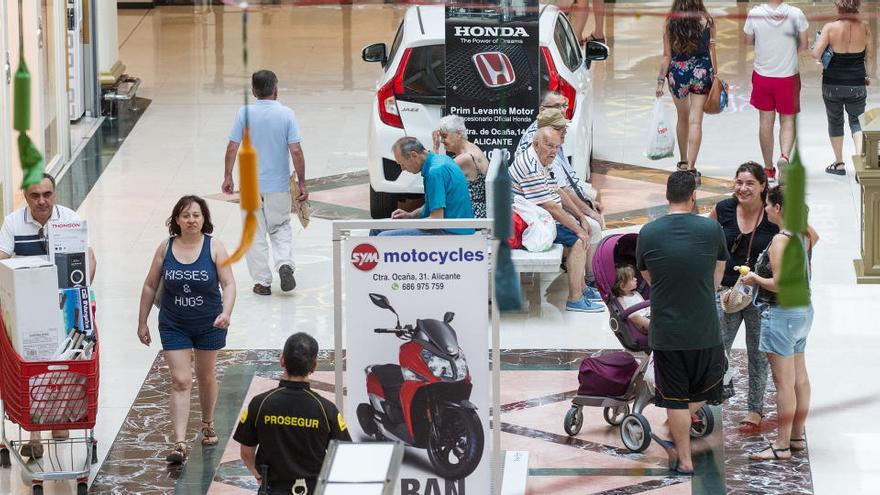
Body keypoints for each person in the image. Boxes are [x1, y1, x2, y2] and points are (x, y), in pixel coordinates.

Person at [635, 171, 728, 475]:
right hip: (704, 327)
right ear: (693, 197)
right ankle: (678, 422)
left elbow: (647, 276)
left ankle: (684, 459)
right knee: (710, 384)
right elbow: (717, 280)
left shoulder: (648, 232)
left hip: (667, 330)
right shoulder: (712, 230)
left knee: (674, 396)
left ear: (666, 196)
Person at [0, 173, 97, 459]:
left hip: (66, 304)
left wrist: (81, 289)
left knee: (65, 361)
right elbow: (2, 260)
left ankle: (59, 418)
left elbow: (88, 256)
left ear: (54, 194)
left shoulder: (68, 218)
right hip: (28, 307)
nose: (42, 201)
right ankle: (35, 434)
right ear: (26, 197)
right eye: (34, 195)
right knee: (31, 365)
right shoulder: (13, 223)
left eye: (47, 194)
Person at [136, 195, 236, 464]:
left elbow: (228, 284)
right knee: (180, 380)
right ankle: (179, 443)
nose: (191, 220)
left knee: (206, 376)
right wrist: (142, 321)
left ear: (204, 219)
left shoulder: (215, 247)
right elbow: (149, 285)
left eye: (196, 215)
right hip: (174, 323)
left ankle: (207, 423)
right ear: (176, 220)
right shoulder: (165, 248)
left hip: (209, 323)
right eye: (185, 215)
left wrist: (226, 312)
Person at [741, 186, 818, 460]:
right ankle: (797, 436)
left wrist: (754, 279)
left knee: (783, 383)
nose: (767, 208)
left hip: (781, 314)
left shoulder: (780, 241)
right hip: (803, 312)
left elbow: (778, 284)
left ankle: (782, 444)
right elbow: (815, 236)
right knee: (801, 379)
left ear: (779, 209)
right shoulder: (803, 235)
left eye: (770, 204)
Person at [223, 69, 307, 296]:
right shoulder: (286, 114)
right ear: (276, 90)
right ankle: (284, 265)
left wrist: (228, 175)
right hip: (278, 184)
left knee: (254, 232)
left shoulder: (244, 113)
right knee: (280, 227)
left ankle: (262, 282)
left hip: (251, 185)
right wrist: (302, 183)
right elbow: (296, 151)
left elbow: (232, 146)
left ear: (253, 91)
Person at [234, 332, 351, 494]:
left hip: (272, 489)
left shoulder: (260, 403)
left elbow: (246, 453)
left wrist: (260, 477)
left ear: (282, 360)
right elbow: (344, 455)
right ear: (314, 366)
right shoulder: (326, 409)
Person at [709, 162, 777, 431]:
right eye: (739, 182)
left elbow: (802, 238)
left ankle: (755, 409)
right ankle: (707, 400)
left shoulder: (772, 213)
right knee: (715, 350)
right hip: (726, 293)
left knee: (758, 354)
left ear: (763, 186)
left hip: (759, 294)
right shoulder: (724, 209)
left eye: (750, 183)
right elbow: (705, 238)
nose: (743, 188)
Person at [510, 127, 603, 313]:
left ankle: (582, 289)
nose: (554, 151)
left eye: (557, 147)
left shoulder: (543, 159)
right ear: (536, 144)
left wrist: (581, 217)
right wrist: (578, 229)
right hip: (524, 226)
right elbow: (550, 206)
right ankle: (575, 299)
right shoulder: (530, 165)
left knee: (582, 232)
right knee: (578, 241)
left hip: (535, 217)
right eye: (549, 146)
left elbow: (557, 189)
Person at [744, 0, 809, 184]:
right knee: (787, 120)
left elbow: (748, 41)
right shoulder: (796, 14)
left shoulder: (755, 13)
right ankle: (785, 156)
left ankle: (768, 168)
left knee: (765, 121)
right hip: (788, 76)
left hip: (763, 75)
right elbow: (804, 44)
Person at [656, 0, 716, 183]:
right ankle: (691, 167)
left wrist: (660, 81)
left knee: (682, 117)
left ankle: (682, 161)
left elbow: (667, 56)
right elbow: (712, 50)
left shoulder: (670, 22)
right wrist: (717, 76)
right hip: (702, 71)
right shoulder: (707, 20)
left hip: (678, 73)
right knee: (696, 120)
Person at [812, 0, 872, 175]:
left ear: (838, 6)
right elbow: (869, 57)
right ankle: (859, 165)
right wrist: (866, 76)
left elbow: (816, 53)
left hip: (832, 84)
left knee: (835, 121)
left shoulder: (830, 27)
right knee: (857, 122)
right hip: (857, 83)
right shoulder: (865, 27)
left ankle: (839, 164)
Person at [378, 136, 475, 236]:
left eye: (402, 164)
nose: (402, 169)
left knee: (382, 236)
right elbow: (434, 205)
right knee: (377, 229)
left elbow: (436, 220)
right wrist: (410, 216)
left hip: (452, 233)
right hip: (459, 228)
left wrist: (406, 224)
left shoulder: (435, 172)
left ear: (414, 155)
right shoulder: (442, 160)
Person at [432, 115, 489, 218]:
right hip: (471, 211)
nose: (441, 140)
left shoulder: (466, 158)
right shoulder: (471, 148)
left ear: (458, 134)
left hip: (470, 215)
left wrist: (435, 148)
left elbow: (435, 175)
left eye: (444, 136)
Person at [612, 265, 650, 334]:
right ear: (623, 286)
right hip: (638, 323)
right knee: (634, 316)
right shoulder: (621, 299)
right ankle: (654, 326)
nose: (636, 279)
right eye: (632, 278)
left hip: (648, 315)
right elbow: (626, 314)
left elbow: (645, 305)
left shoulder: (636, 293)